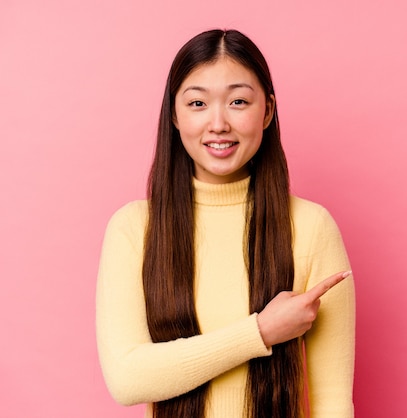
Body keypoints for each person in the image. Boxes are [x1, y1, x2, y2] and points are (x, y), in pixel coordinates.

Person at [96, 29, 355, 418]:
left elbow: (333, 403)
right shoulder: (135, 229)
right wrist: (261, 332)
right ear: (174, 114)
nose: (218, 123)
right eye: (198, 102)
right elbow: (127, 378)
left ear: (267, 111)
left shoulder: (311, 227)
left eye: (238, 101)